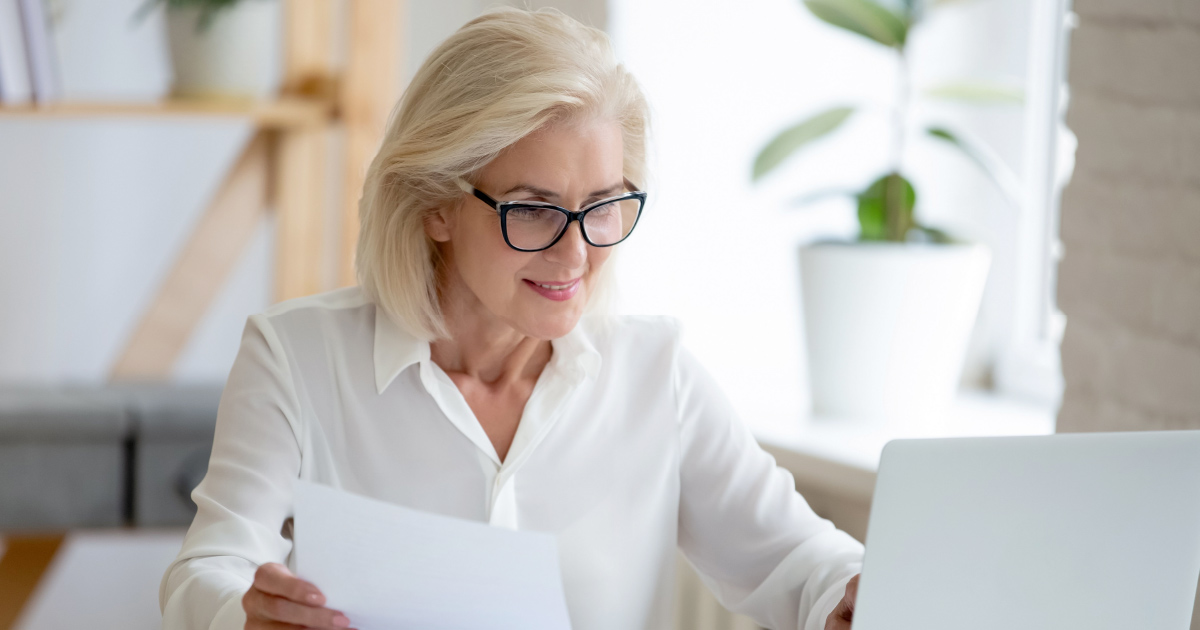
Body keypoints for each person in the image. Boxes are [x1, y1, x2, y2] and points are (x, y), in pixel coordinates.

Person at [159, 7, 863, 630]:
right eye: (533, 207)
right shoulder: (297, 357)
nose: (577, 251)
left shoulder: (656, 374)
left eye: (602, 204)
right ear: (435, 203)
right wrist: (244, 616)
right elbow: (211, 567)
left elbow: (797, 558)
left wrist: (849, 592)